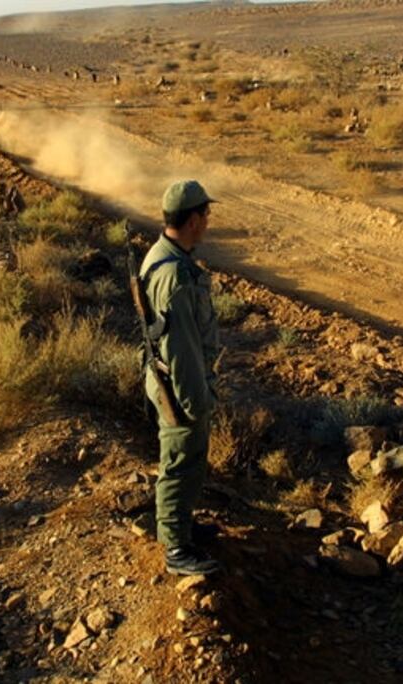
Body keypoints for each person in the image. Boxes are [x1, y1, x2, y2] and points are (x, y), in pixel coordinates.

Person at [140, 180, 221, 576]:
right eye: (205, 214)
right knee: (179, 462)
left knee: (189, 460)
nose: (208, 222)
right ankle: (176, 548)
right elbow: (183, 350)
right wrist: (197, 402)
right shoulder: (175, 276)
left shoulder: (164, 254)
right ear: (192, 220)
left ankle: (182, 529)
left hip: (170, 381)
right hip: (180, 389)